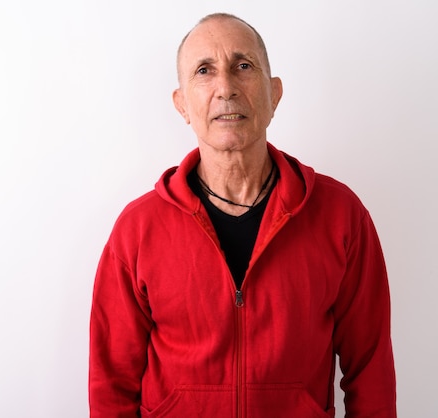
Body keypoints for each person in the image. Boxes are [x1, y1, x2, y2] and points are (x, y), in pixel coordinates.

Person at [89, 12, 396, 418]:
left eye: (243, 66)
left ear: (274, 93)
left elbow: (371, 369)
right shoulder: (137, 229)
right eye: (204, 70)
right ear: (182, 103)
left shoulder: (342, 217)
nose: (226, 88)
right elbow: (111, 382)